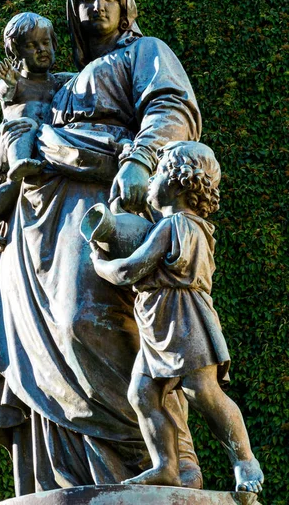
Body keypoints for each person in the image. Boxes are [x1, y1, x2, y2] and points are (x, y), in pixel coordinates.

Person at [0, 0, 203, 496]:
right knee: (41, 348)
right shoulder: (63, 83)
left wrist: (140, 160)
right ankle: (68, 478)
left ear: (125, 3)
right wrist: (8, 149)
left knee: (89, 323)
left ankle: (168, 459)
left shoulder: (145, 53)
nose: (95, 7)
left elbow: (171, 107)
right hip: (36, 226)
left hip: (101, 204)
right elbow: (18, 131)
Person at [91, 141, 264, 494]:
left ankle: (245, 460)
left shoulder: (177, 226)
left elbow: (129, 271)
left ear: (175, 180)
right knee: (142, 395)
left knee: (203, 391)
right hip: (158, 323)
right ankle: (166, 466)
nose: (150, 181)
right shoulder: (176, 224)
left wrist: (98, 261)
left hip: (184, 319)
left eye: (155, 174)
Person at [0, 12, 73, 250]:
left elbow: (86, 80)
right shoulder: (17, 82)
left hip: (41, 145)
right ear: (16, 54)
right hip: (14, 140)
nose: (41, 49)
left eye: (45, 43)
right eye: (31, 45)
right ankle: (20, 164)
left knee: (16, 184)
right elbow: (4, 92)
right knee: (26, 125)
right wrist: (8, 82)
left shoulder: (60, 81)